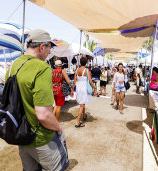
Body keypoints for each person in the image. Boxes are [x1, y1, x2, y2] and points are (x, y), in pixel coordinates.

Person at [6, 29, 69, 171]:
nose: (49, 52)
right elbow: (43, 114)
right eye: (49, 48)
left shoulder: (13, 65)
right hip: (40, 137)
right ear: (42, 47)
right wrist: (58, 128)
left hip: (21, 135)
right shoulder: (42, 67)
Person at [71, 57, 96, 128]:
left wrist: (72, 89)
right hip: (84, 88)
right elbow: (90, 81)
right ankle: (78, 122)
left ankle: (84, 115)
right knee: (82, 105)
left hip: (79, 88)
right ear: (86, 63)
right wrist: (94, 88)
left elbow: (74, 81)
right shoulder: (86, 70)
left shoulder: (77, 70)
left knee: (82, 102)